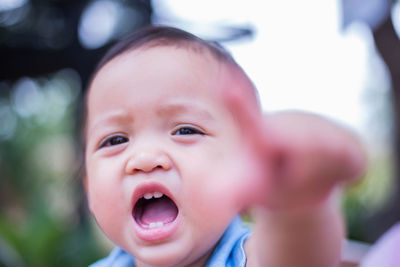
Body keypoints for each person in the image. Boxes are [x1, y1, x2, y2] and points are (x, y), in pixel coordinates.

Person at [82, 25, 366, 267]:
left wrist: (298, 206)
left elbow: (297, 256)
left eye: (185, 130)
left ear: (243, 165)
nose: (144, 158)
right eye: (115, 140)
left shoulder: (250, 255)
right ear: (88, 188)